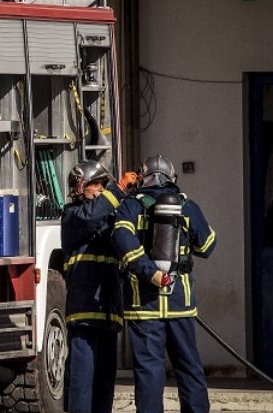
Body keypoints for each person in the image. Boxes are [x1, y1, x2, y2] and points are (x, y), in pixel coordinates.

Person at [111, 155, 218, 413]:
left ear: (142, 177)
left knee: (149, 370)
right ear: (172, 178)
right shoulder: (187, 205)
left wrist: (148, 271)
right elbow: (207, 246)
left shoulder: (130, 206)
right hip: (180, 302)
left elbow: (120, 238)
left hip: (143, 303)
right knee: (188, 367)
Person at [61, 161, 136, 413]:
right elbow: (91, 216)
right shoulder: (73, 216)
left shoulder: (108, 219)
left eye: (104, 187)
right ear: (84, 188)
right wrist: (118, 190)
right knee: (81, 384)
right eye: (99, 187)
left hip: (108, 313)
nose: (102, 191)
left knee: (105, 385)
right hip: (84, 314)